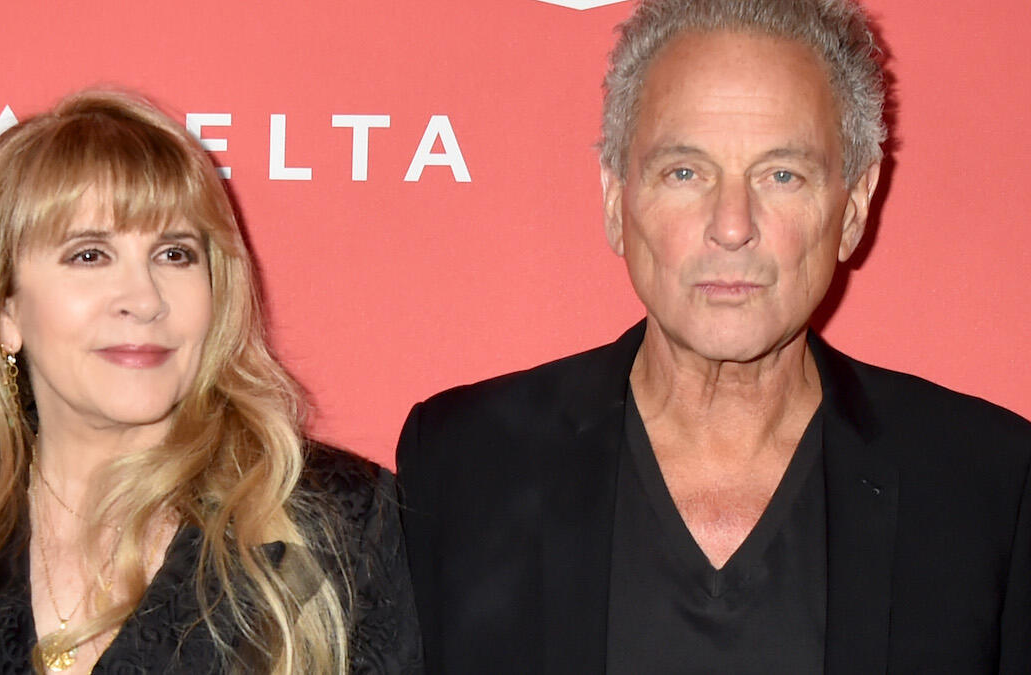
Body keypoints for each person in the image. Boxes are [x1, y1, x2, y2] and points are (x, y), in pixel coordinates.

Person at [396, 0, 1031, 673]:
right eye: (685, 172)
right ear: (615, 199)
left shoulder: (986, 486)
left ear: (853, 208)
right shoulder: (463, 466)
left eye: (781, 175)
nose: (732, 226)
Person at [0, 90, 421, 674]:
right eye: (89, 255)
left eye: (174, 255)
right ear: (3, 311)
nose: (144, 299)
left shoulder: (340, 523)